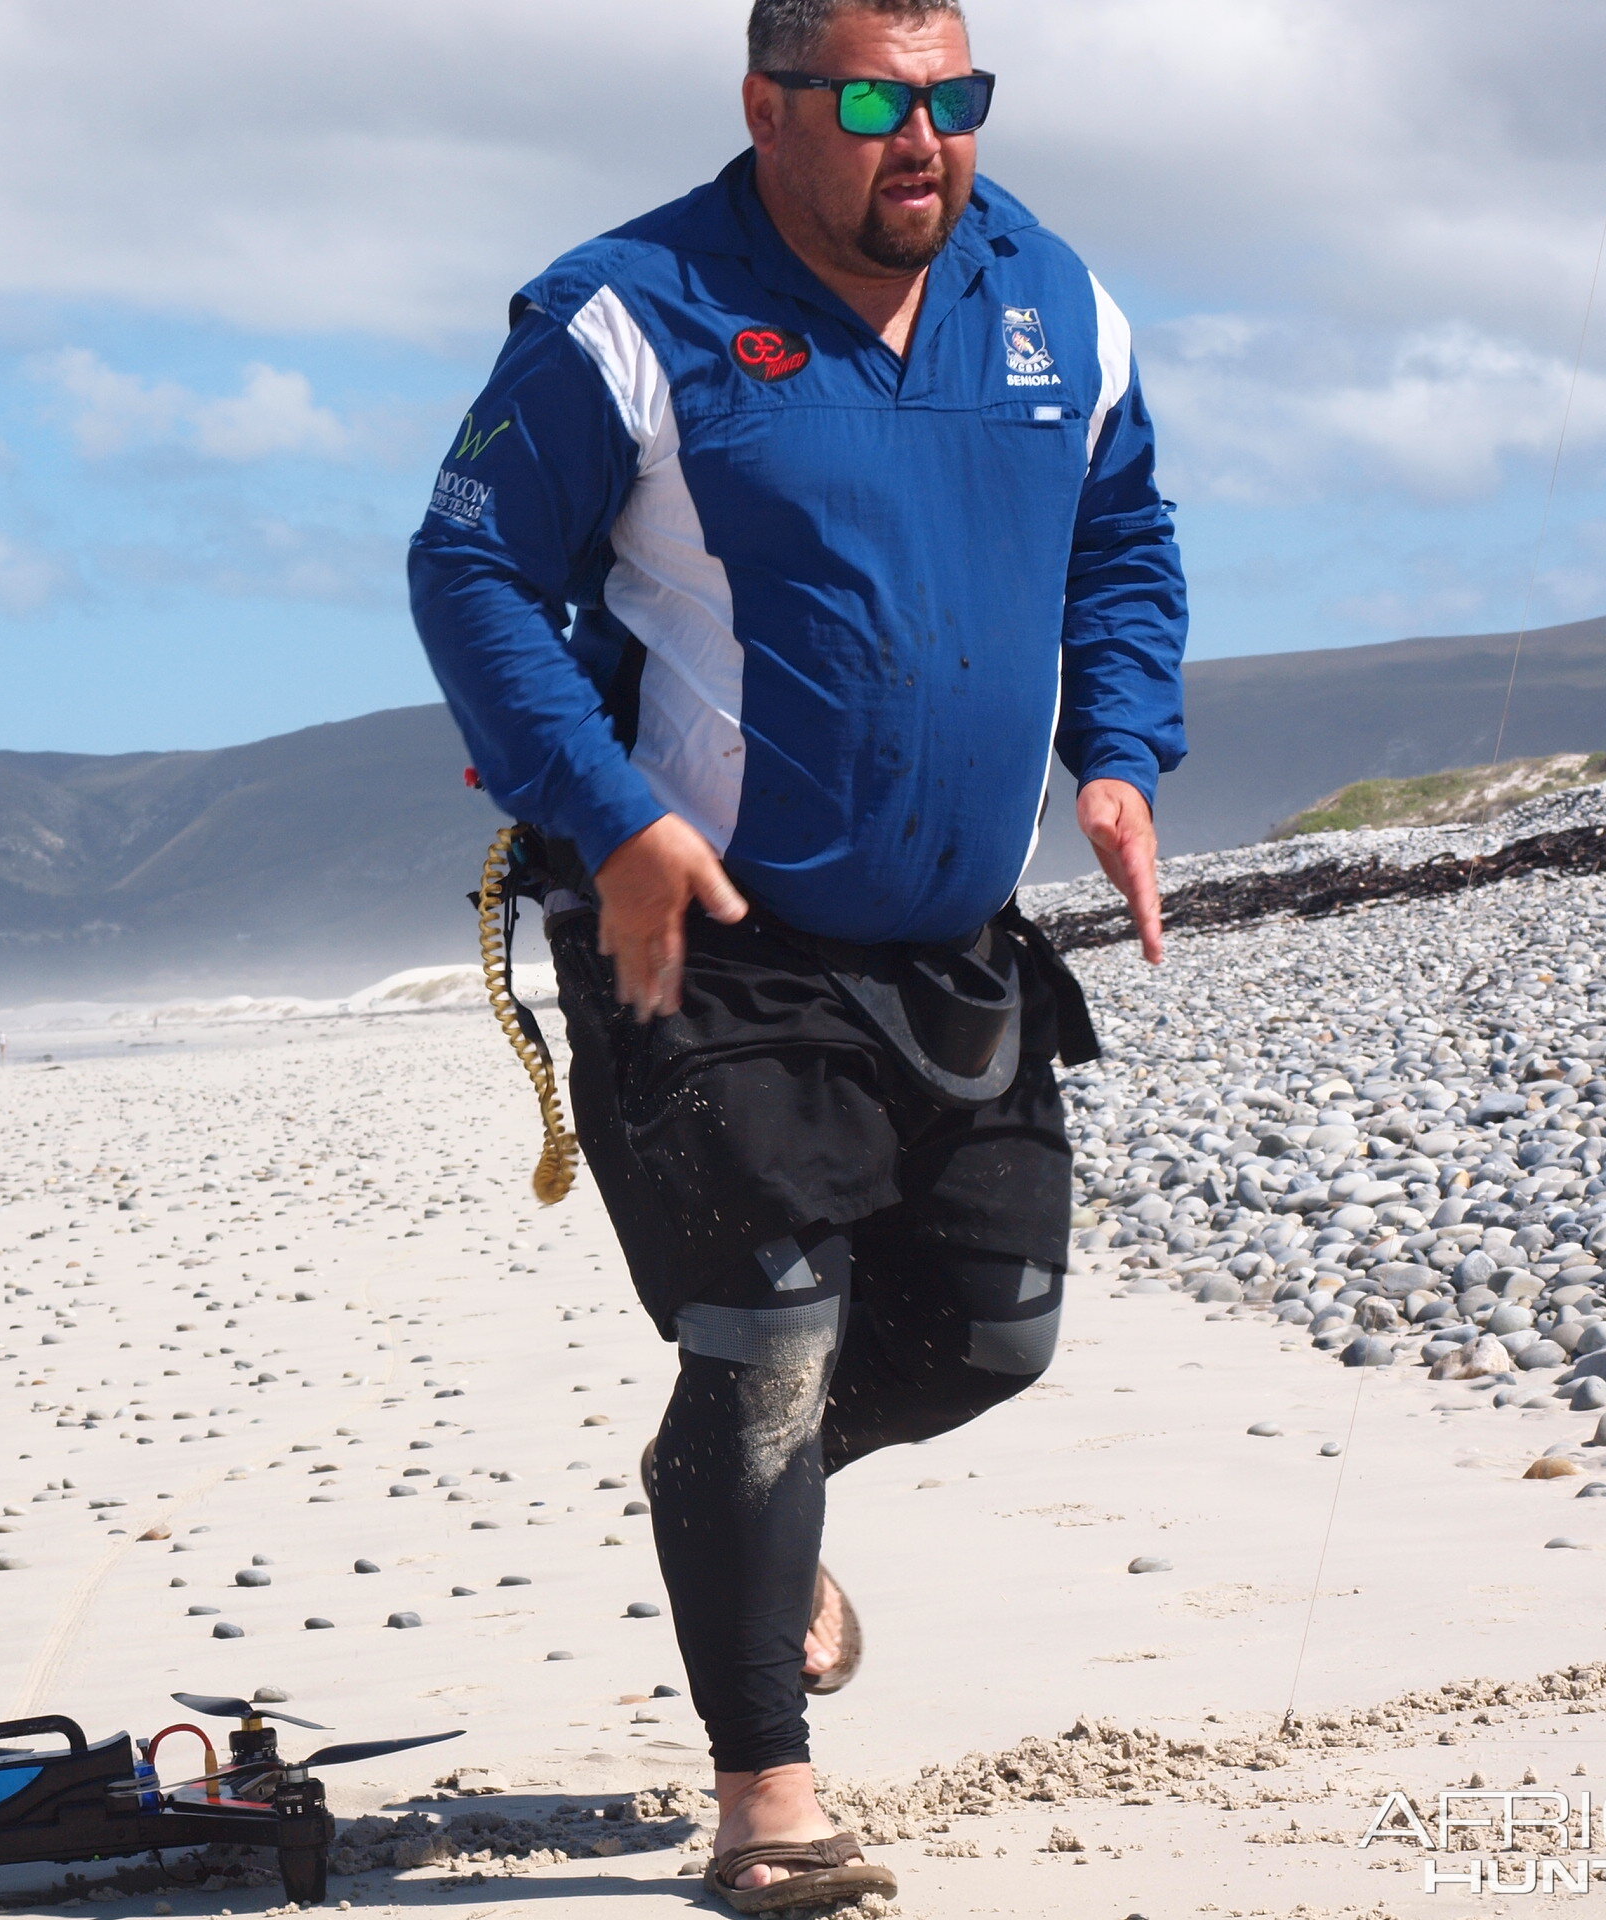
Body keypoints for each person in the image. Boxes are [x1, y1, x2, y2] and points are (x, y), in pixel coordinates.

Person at [408, 0, 1185, 1907]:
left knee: (997, 1335)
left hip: (948, 941)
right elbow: (471, 571)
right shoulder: (628, 313)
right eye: (871, 101)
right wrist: (613, 809)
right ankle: (768, 1796)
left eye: (955, 101)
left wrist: (1122, 751)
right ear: (767, 106)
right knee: (762, 1346)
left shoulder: (1055, 303)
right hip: (710, 938)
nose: (922, 140)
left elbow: (1122, 537)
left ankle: (742, 1514)